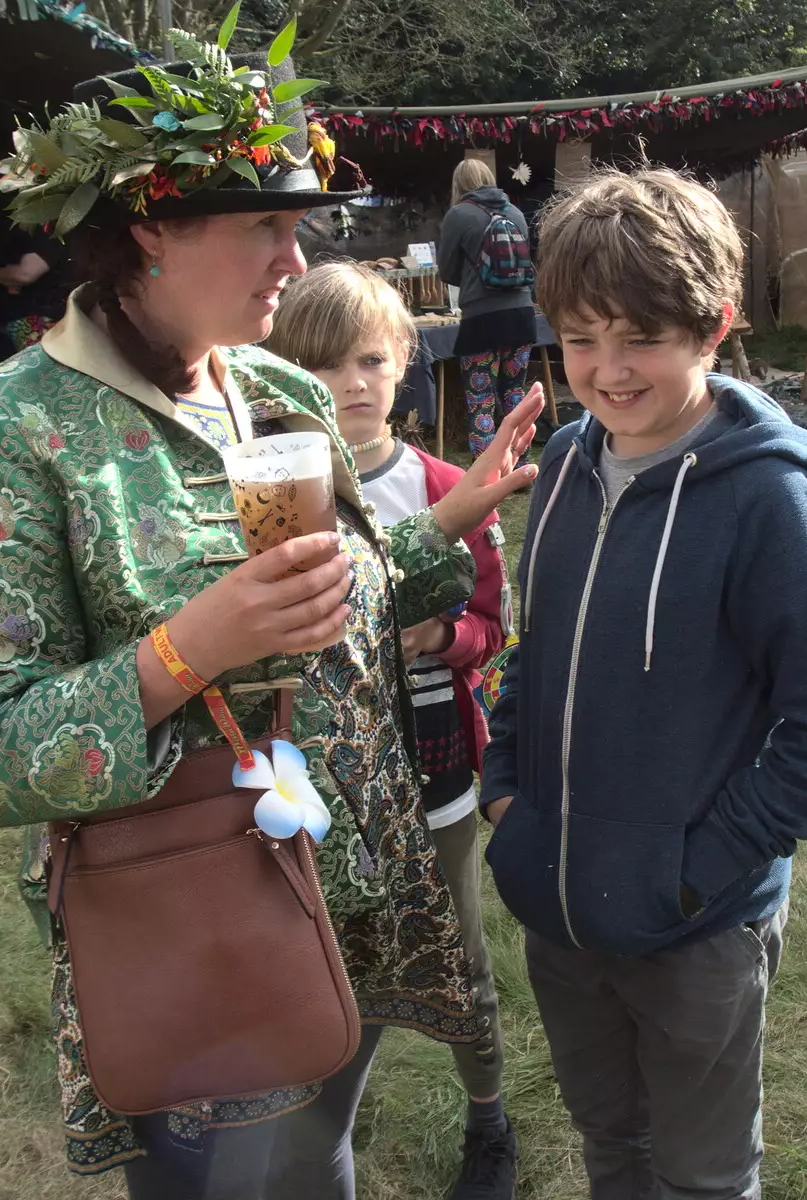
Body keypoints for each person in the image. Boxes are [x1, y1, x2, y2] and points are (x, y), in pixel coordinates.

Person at [0, 41, 542, 1200]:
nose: (294, 261)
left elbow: (343, 609)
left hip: (351, 868)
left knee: (319, 1158)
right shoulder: (12, 431)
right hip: (199, 907)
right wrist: (183, 650)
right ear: (151, 227)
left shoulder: (279, 389)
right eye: (265, 226)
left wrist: (446, 522)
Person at [479, 168, 807, 1200]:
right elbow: (532, 647)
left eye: (637, 338)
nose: (605, 372)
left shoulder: (770, 507)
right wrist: (508, 799)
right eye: (577, 338)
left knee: (701, 1174)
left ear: (714, 328)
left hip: (696, 933)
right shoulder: (565, 464)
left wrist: (697, 872)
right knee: (610, 1141)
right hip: (557, 907)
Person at [269, 261, 519, 1200]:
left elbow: (497, 621)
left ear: (407, 359)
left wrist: (445, 635)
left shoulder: (445, 485)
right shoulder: (271, 494)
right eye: (325, 365)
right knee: (324, 953)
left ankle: (489, 1116)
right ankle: (326, 1097)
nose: (353, 384)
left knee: (459, 950)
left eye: (372, 359)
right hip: (317, 785)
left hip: (436, 768)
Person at [437, 159, 536, 456]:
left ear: (459, 184)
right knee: (515, 395)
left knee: (481, 400)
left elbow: (446, 271)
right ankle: (521, 465)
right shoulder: (516, 213)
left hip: (481, 319)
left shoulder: (458, 215)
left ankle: (490, 474)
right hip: (522, 316)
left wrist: (470, 279)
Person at [0, 224, 70, 350]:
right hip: (20, 315)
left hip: (45, 316)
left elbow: (25, 274)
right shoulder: (11, 232)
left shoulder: (49, 232)